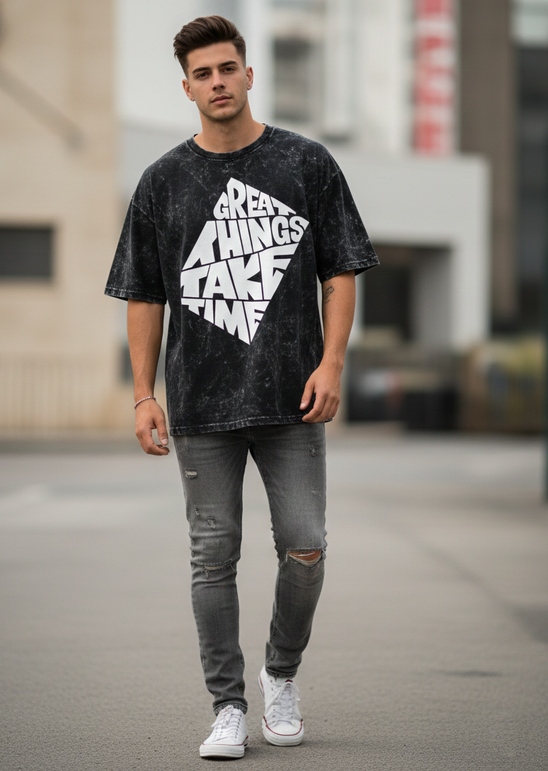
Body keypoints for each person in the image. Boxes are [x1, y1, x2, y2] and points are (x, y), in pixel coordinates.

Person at [105, 15, 379, 759]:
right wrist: (142, 393)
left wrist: (331, 363)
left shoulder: (305, 163)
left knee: (306, 543)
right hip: (199, 403)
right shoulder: (163, 180)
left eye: (228, 68)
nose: (218, 82)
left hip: (293, 399)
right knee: (211, 555)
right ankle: (227, 706)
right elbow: (143, 295)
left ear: (249, 74)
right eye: (203, 73)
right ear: (187, 86)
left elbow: (343, 270)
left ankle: (280, 674)